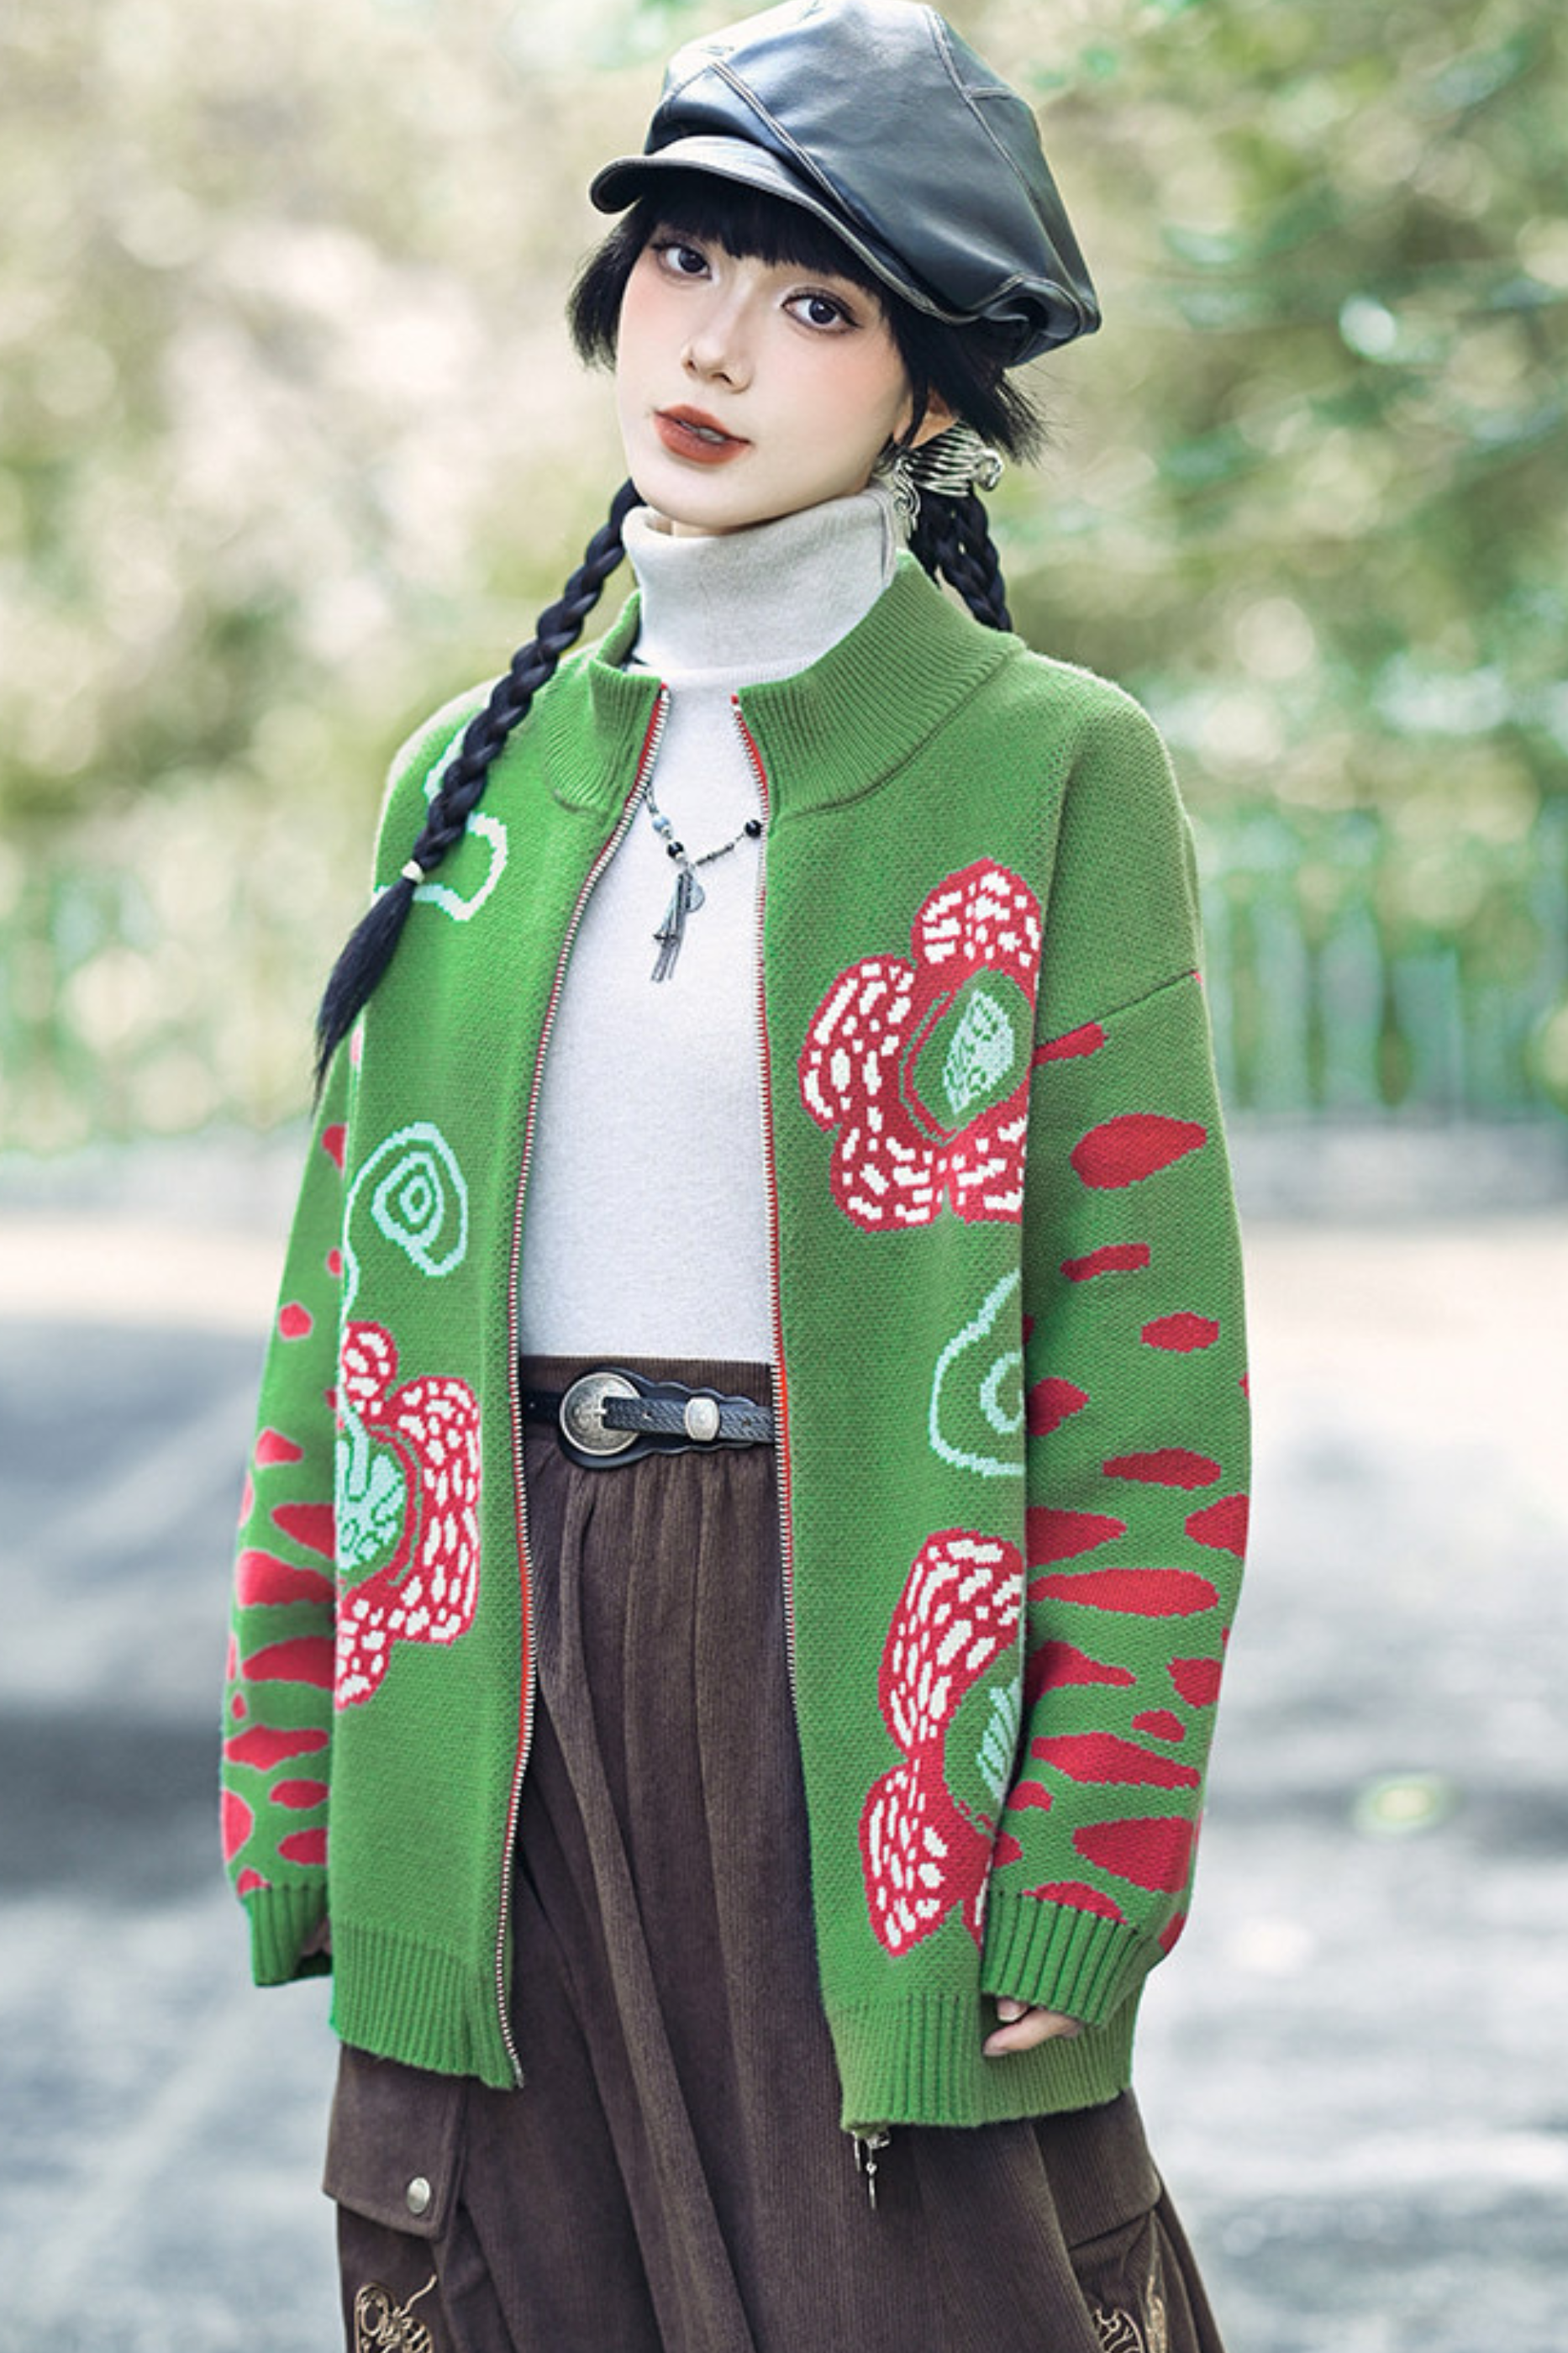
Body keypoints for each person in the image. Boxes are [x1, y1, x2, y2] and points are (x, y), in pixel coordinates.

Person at [220, 4, 1250, 2346]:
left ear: (929, 398)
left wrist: (1090, 1846)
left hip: (860, 1684)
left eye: (816, 303)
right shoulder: (465, 785)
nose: (714, 344)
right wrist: (298, 1771)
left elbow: (1144, 1371)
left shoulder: (1049, 770)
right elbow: (337, 1328)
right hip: (496, 1685)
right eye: (686, 261)